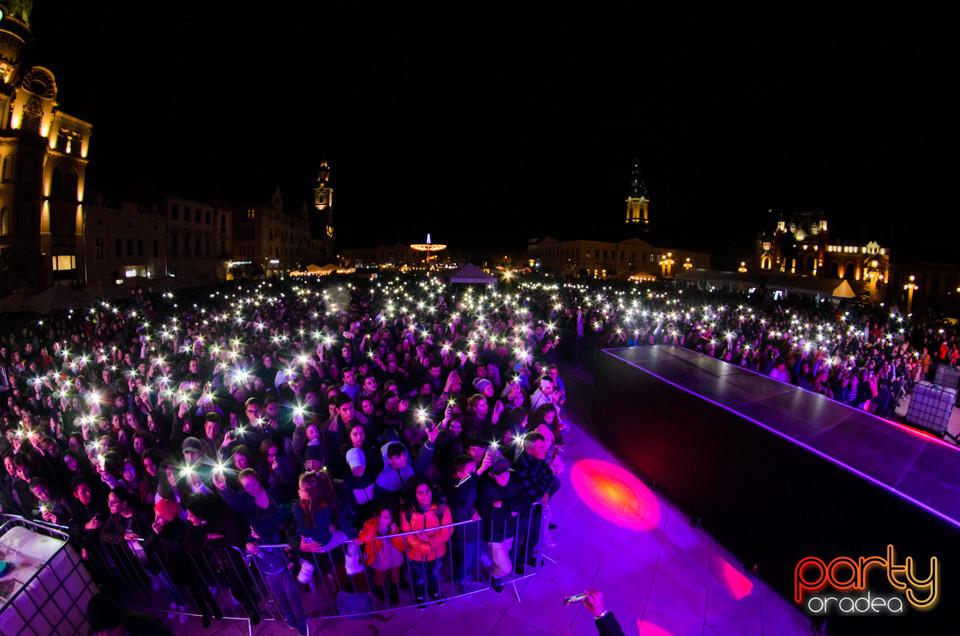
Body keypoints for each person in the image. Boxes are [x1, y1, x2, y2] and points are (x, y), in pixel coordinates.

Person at [398, 477, 452, 607]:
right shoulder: (407, 511)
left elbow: (448, 530)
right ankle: (419, 593)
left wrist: (430, 542)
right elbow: (408, 535)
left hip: (438, 551)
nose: (426, 495)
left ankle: (434, 590)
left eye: (428, 491)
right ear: (413, 494)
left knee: (434, 573)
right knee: (419, 577)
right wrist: (425, 547)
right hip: (416, 554)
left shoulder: (441, 507)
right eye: (420, 493)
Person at [356, 501, 405, 605]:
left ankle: (394, 591)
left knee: (395, 575)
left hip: (394, 556)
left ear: (392, 518)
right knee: (379, 576)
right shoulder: (371, 525)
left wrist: (394, 532)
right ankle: (379, 589)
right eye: (380, 516)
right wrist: (372, 526)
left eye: (386, 517)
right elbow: (364, 537)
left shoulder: (395, 527)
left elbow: (401, 545)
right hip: (378, 557)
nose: (382, 520)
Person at [86, 593, 175, 636]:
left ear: (122, 621)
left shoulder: (149, 627)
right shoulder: (92, 633)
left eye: (111, 631)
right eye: (100, 634)